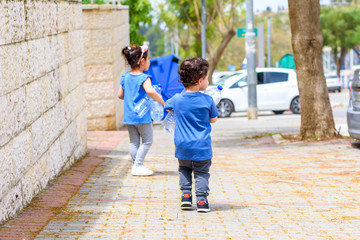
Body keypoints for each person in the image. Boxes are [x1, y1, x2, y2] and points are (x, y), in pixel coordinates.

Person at [164, 57, 218, 212]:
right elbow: (213, 119)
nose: (208, 81)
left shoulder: (177, 99)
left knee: (184, 169)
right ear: (200, 80)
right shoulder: (207, 100)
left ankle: (186, 197)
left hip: (182, 144)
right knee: (201, 172)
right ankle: (202, 201)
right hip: (201, 146)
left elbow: (168, 107)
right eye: (207, 78)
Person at [118, 44, 165, 176]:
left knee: (134, 142)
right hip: (141, 116)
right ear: (142, 61)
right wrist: (161, 101)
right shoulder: (144, 78)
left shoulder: (125, 77)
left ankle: (136, 165)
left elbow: (120, 95)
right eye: (148, 59)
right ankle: (138, 165)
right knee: (148, 140)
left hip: (128, 116)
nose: (149, 62)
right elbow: (150, 91)